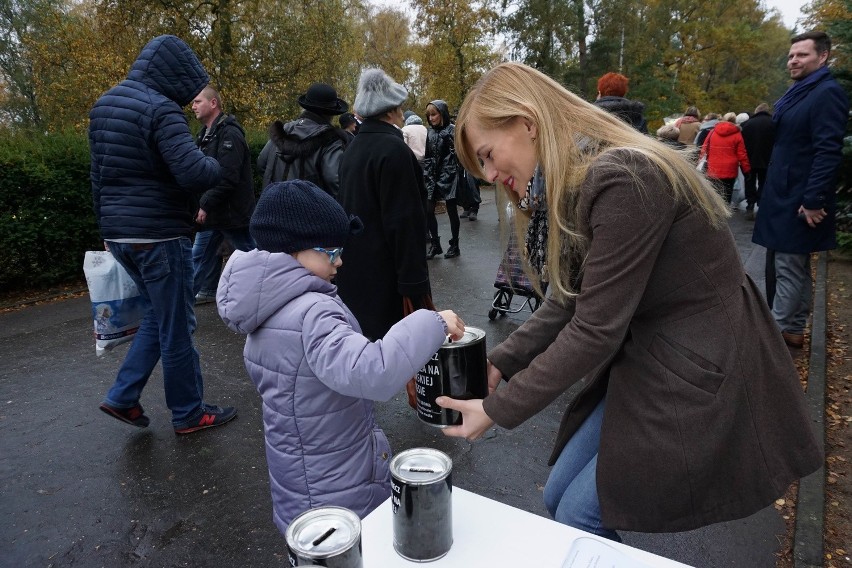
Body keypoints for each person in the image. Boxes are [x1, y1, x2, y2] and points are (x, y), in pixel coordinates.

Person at [437, 61, 821, 541]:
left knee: (581, 515)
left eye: (489, 156)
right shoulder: (576, 176)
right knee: (559, 497)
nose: (493, 176)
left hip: (703, 359)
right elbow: (568, 301)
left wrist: (499, 407)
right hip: (654, 349)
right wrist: (497, 365)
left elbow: (596, 329)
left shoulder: (623, 176)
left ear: (527, 123)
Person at [216, 180, 464, 532]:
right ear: (292, 249)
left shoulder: (267, 307)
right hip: (335, 487)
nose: (340, 260)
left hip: (301, 478)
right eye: (329, 250)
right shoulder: (311, 312)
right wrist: (433, 322)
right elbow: (372, 372)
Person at [89, 35, 237, 434]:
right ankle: (189, 412)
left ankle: (122, 396)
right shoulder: (161, 110)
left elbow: (97, 176)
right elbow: (193, 173)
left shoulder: (104, 105)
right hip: (159, 236)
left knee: (158, 314)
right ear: (174, 74)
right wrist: (213, 164)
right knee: (177, 325)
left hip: (120, 234)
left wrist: (107, 227)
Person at [753, 31, 849, 348]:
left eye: (802, 55)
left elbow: (827, 150)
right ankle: (792, 329)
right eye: (791, 55)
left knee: (788, 266)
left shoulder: (826, 93)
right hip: (785, 191)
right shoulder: (801, 91)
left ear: (822, 57)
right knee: (793, 264)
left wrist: (813, 199)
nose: (793, 60)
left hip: (799, 196)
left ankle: (772, 340)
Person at [336, 68, 433, 342]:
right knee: (398, 354)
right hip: (388, 276)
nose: (402, 113)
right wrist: (415, 285)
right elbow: (405, 223)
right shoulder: (394, 150)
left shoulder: (353, 148)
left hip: (355, 271)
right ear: (389, 111)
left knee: (366, 350)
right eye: (399, 107)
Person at [190, 85, 256, 305]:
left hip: (230, 214)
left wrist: (205, 204)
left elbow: (227, 177)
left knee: (251, 257)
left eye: (198, 101)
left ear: (213, 103)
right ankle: (179, 306)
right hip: (214, 215)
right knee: (198, 258)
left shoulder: (230, 134)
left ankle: (271, 297)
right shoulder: (206, 135)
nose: (193, 106)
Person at [256, 82, 349, 196]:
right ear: (331, 113)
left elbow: (261, 163)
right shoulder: (330, 140)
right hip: (308, 211)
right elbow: (334, 181)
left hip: (270, 207)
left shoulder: (282, 131)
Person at [424, 100, 462, 258]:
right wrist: (426, 173)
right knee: (428, 210)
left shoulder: (452, 130)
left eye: (434, 114)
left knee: (452, 211)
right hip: (432, 176)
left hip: (449, 175)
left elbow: (459, 153)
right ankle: (435, 244)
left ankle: (455, 245)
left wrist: (449, 140)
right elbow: (427, 155)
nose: (431, 118)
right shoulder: (430, 132)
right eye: (429, 115)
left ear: (442, 114)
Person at [698, 113, 750, 206]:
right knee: (727, 192)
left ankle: (716, 210)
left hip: (713, 167)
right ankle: (725, 210)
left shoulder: (713, 131)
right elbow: (742, 154)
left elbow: (704, 148)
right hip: (730, 169)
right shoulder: (737, 133)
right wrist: (746, 170)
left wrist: (701, 161)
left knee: (715, 191)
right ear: (735, 121)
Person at [740, 103, 776, 221]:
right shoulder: (774, 123)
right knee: (763, 182)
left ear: (756, 111)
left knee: (749, 182)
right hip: (767, 159)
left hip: (749, 159)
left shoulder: (747, 124)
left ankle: (750, 206)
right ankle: (762, 205)